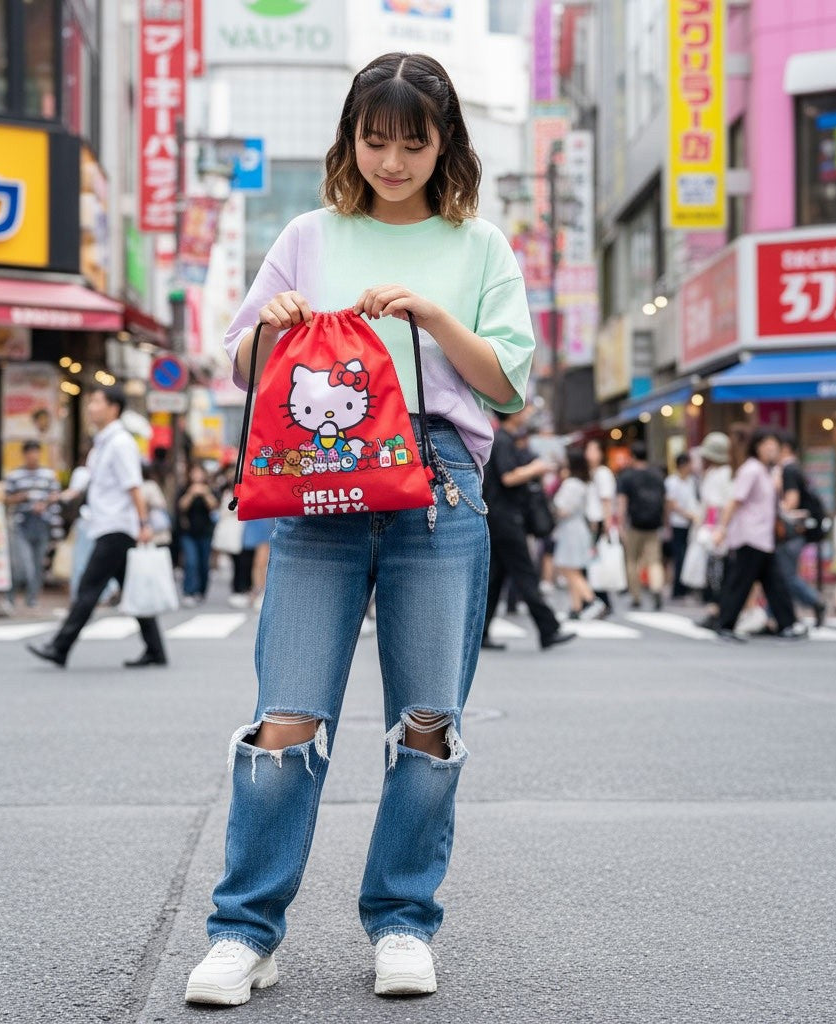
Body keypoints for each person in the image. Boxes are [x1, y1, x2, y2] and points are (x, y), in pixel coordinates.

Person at [184, 53, 536, 1006]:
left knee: (427, 724)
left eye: (411, 141)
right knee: (283, 720)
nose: (390, 160)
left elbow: (509, 384)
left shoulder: (479, 247)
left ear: (444, 143)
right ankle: (243, 931)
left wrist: (426, 315)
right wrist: (275, 325)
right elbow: (243, 370)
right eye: (374, 139)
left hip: (440, 484)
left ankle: (403, 921)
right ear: (351, 138)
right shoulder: (307, 234)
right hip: (320, 485)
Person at [26, 384, 167, 669]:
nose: (91, 407)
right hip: (106, 525)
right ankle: (156, 650)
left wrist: (143, 523)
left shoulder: (120, 443)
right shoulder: (102, 444)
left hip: (116, 528)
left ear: (114, 407)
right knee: (131, 589)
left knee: (89, 589)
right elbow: (90, 485)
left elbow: (134, 486)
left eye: (97, 402)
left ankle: (60, 646)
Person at [482, 408, 577, 652]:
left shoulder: (505, 439)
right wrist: (535, 469)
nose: (526, 412)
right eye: (521, 408)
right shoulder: (502, 440)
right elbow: (508, 477)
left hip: (502, 518)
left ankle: (479, 634)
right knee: (525, 574)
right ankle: (549, 629)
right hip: (505, 519)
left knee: (495, 579)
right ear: (511, 414)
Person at [712, 428, 805, 642]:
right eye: (768, 446)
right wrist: (722, 529)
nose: (772, 451)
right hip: (749, 535)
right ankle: (725, 624)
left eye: (775, 447)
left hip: (763, 537)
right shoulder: (751, 470)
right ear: (757, 447)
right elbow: (735, 500)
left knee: (774, 582)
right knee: (741, 583)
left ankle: (787, 624)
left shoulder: (766, 471)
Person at [774, 434, 826, 627]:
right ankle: (776, 615)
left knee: (783, 575)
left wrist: (776, 508)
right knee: (779, 574)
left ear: (785, 448)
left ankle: (814, 601)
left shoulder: (789, 470)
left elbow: (791, 502)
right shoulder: (796, 469)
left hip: (792, 531)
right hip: (797, 531)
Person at [4, 441, 60, 607]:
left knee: (37, 563)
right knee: (22, 564)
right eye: (30, 453)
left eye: (36, 452)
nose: (33, 456)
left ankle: (32, 598)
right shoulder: (14, 475)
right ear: (25, 454)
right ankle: (11, 596)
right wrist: (20, 497)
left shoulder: (48, 475)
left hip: (42, 522)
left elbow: (56, 495)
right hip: (22, 522)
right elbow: (5, 499)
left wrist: (44, 504)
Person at [553, 449, 604, 620]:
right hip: (577, 528)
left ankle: (592, 601)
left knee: (569, 569)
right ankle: (576, 607)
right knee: (573, 568)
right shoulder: (582, 483)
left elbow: (563, 509)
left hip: (571, 530)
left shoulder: (572, 484)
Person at [616, 441, 666, 611]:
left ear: (632, 456)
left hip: (634, 525)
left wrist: (620, 525)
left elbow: (622, 503)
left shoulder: (627, 476)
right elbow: (664, 500)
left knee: (631, 560)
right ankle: (657, 588)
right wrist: (665, 522)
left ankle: (636, 596)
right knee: (654, 560)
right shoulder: (657, 474)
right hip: (653, 524)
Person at [694, 432, 733, 630]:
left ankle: (716, 611)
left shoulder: (719, 475)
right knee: (718, 574)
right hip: (719, 531)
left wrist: (714, 529)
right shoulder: (726, 473)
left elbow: (716, 507)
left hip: (717, 532)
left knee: (717, 575)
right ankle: (716, 610)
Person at [177, 463, 218, 605]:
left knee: (203, 563)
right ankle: (189, 591)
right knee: (191, 562)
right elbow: (181, 506)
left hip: (205, 532)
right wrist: (191, 493)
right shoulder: (184, 489)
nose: (197, 476)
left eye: (199, 472)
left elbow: (214, 507)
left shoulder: (209, 489)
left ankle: (201, 590)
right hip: (188, 532)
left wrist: (205, 493)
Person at [584, 438, 617, 613]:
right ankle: (597, 599)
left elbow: (606, 501)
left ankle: (602, 601)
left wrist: (607, 525)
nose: (588, 454)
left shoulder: (603, 473)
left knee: (597, 563)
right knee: (594, 562)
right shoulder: (591, 472)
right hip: (592, 522)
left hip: (599, 523)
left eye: (592, 450)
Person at [664, 452, 699, 600]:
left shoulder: (692, 481)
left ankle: (686, 586)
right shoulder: (672, 481)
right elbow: (671, 505)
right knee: (679, 556)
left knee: (688, 555)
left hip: (691, 523)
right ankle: (678, 589)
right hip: (677, 523)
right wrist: (687, 515)